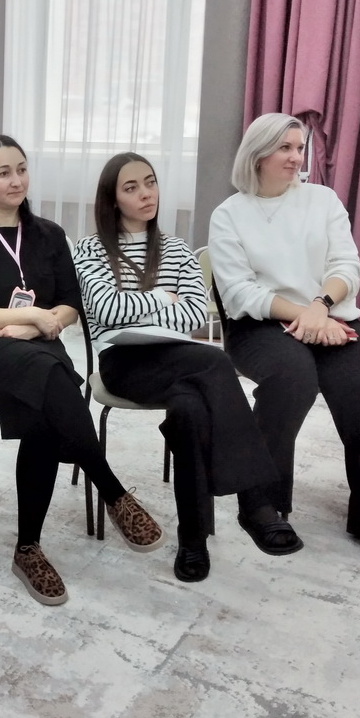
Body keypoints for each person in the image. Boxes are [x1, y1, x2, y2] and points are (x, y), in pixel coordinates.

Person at [0, 135, 163, 607]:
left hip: (40, 348)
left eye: (21, 169)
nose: (16, 180)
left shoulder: (49, 235)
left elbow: (70, 305)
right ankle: (113, 492)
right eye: (3, 172)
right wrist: (30, 318)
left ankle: (29, 548)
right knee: (52, 379)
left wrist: (38, 324)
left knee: (43, 405)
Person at [73, 152, 302, 582]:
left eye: (150, 182)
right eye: (131, 188)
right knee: (216, 361)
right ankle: (255, 504)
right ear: (112, 199)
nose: (146, 194)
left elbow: (196, 312)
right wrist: (163, 299)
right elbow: (105, 308)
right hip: (123, 361)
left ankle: (193, 539)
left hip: (178, 359)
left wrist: (140, 308)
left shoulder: (176, 249)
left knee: (190, 409)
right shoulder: (90, 248)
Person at [208, 113, 360, 573]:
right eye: (284, 147)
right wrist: (303, 314)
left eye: (299, 147)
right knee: (292, 377)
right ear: (257, 154)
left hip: (330, 317)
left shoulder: (322, 200)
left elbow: (347, 265)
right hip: (259, 325)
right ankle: (261, 505)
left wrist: (321, 307)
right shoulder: (229, 214)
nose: (296, 157)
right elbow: (239, 292)